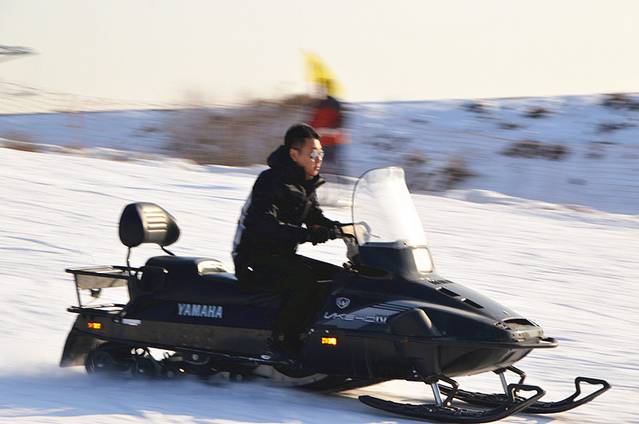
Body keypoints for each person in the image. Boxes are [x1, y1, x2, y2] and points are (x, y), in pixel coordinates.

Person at [232, 123, 343, 361]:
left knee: (337, 277)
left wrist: (340, 229)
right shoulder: (270, 180)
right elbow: (263, 223)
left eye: (321, 153)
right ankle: (282, 342)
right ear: (294, 154)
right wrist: (306, 235)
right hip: (253, 258)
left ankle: (321, 336)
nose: (319, 159)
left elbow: (314, 216)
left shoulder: (304, 182)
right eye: (313, 154)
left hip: (281, 256)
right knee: (305, 281)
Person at [309, 79, 348, 174]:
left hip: (329, 142)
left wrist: (323, 130)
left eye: (323, 88)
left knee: (326, 167)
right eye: (320, 88)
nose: (320, 90)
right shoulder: (317, 104)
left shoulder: (333, 104)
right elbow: (313, 121)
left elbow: (339, 124)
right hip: (320, 142)